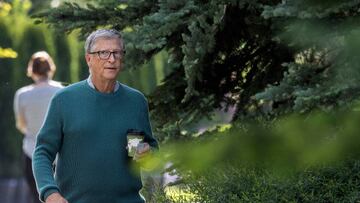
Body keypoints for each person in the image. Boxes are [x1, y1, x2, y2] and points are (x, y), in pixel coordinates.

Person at [32, 29, 159, 203]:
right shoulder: (64, 100)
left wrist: (147, 153)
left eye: (117, 53)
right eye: (103, 53)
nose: (112, 59)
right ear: (88, 59)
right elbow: (42, 152)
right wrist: (50, 193)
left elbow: (149, 151)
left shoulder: (136, 101)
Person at [13, 51, 63, 203]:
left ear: (31, 70)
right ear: (51, 68)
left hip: (31, 152)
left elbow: (21, 125)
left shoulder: (22, 94)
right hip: (58, 155)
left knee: (38, 198)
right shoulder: (61, 91)